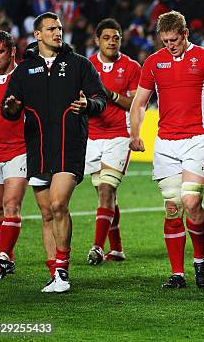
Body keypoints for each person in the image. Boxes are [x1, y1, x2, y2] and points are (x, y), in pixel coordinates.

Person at [1, 12, 107, 293]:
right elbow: (9, 108)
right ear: (37, 35)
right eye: (51, 29)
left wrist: (88, 106)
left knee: (59, 204)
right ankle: (54, 273)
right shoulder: (23, 70)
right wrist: (10, 108)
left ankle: (62, 270)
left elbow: (100, 99)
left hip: (69, 146)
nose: (57, 32)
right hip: (38, 150)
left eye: (59, 28)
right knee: (47, 214)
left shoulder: (79, 64)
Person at [130, 11, 204, 290]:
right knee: (172, 208)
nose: (170, 44)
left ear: (185, 34)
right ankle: (177, 273)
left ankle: (200, 261)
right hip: (166, 143)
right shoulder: (154, 63)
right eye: (165, 40)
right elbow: (140, 102)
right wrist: (135, 132)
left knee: (191, 203)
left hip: (197, 139)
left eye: (174, 39)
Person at [85, 18, 140, 265]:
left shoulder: (130, 67)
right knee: (104, 195)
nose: (111, 42)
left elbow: (136, 104)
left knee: (107, 191)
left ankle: (97, 247)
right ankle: (116, 249)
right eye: (106, 38)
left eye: (116, 38)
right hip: (92, 136)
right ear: (97, 40)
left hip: (118, 135)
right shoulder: (86, 66)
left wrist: (111, 95)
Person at [0, 31, 27, 278]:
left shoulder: (24, 77)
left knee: (12, 204)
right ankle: (8, 258)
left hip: (18, 151)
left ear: (12, 51)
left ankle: (1, 257)